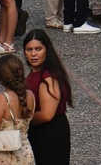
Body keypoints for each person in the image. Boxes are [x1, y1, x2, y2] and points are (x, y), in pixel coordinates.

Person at [22, 30, 72, 165]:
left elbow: (46, 114)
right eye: (29, 49)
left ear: (46, 50)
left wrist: (23, 119)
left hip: (50, 133)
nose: (33, 54)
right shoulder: (34, 74)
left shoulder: (48, 77)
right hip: (38, 132)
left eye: (38, 49)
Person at [0, 53, 35, 165]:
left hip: (3, 158)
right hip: (24, 154)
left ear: (0, 79)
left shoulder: (1, 99)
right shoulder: (30, 96)